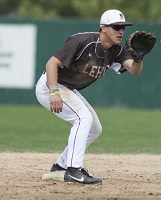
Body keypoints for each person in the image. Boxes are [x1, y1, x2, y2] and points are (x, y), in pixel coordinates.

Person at [36, 9, 143, 184]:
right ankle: (73, 170)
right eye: (116, 27)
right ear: (103, 28)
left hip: (68, 89)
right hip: (50, 86)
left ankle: (61, 166)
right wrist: (53, 91)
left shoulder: (117, 50)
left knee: (94, 128)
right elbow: (51, 64)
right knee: (83, 118)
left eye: (123, 27)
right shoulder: (82, 41)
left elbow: (134, 70)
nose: (121, 31)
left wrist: (139, 58)